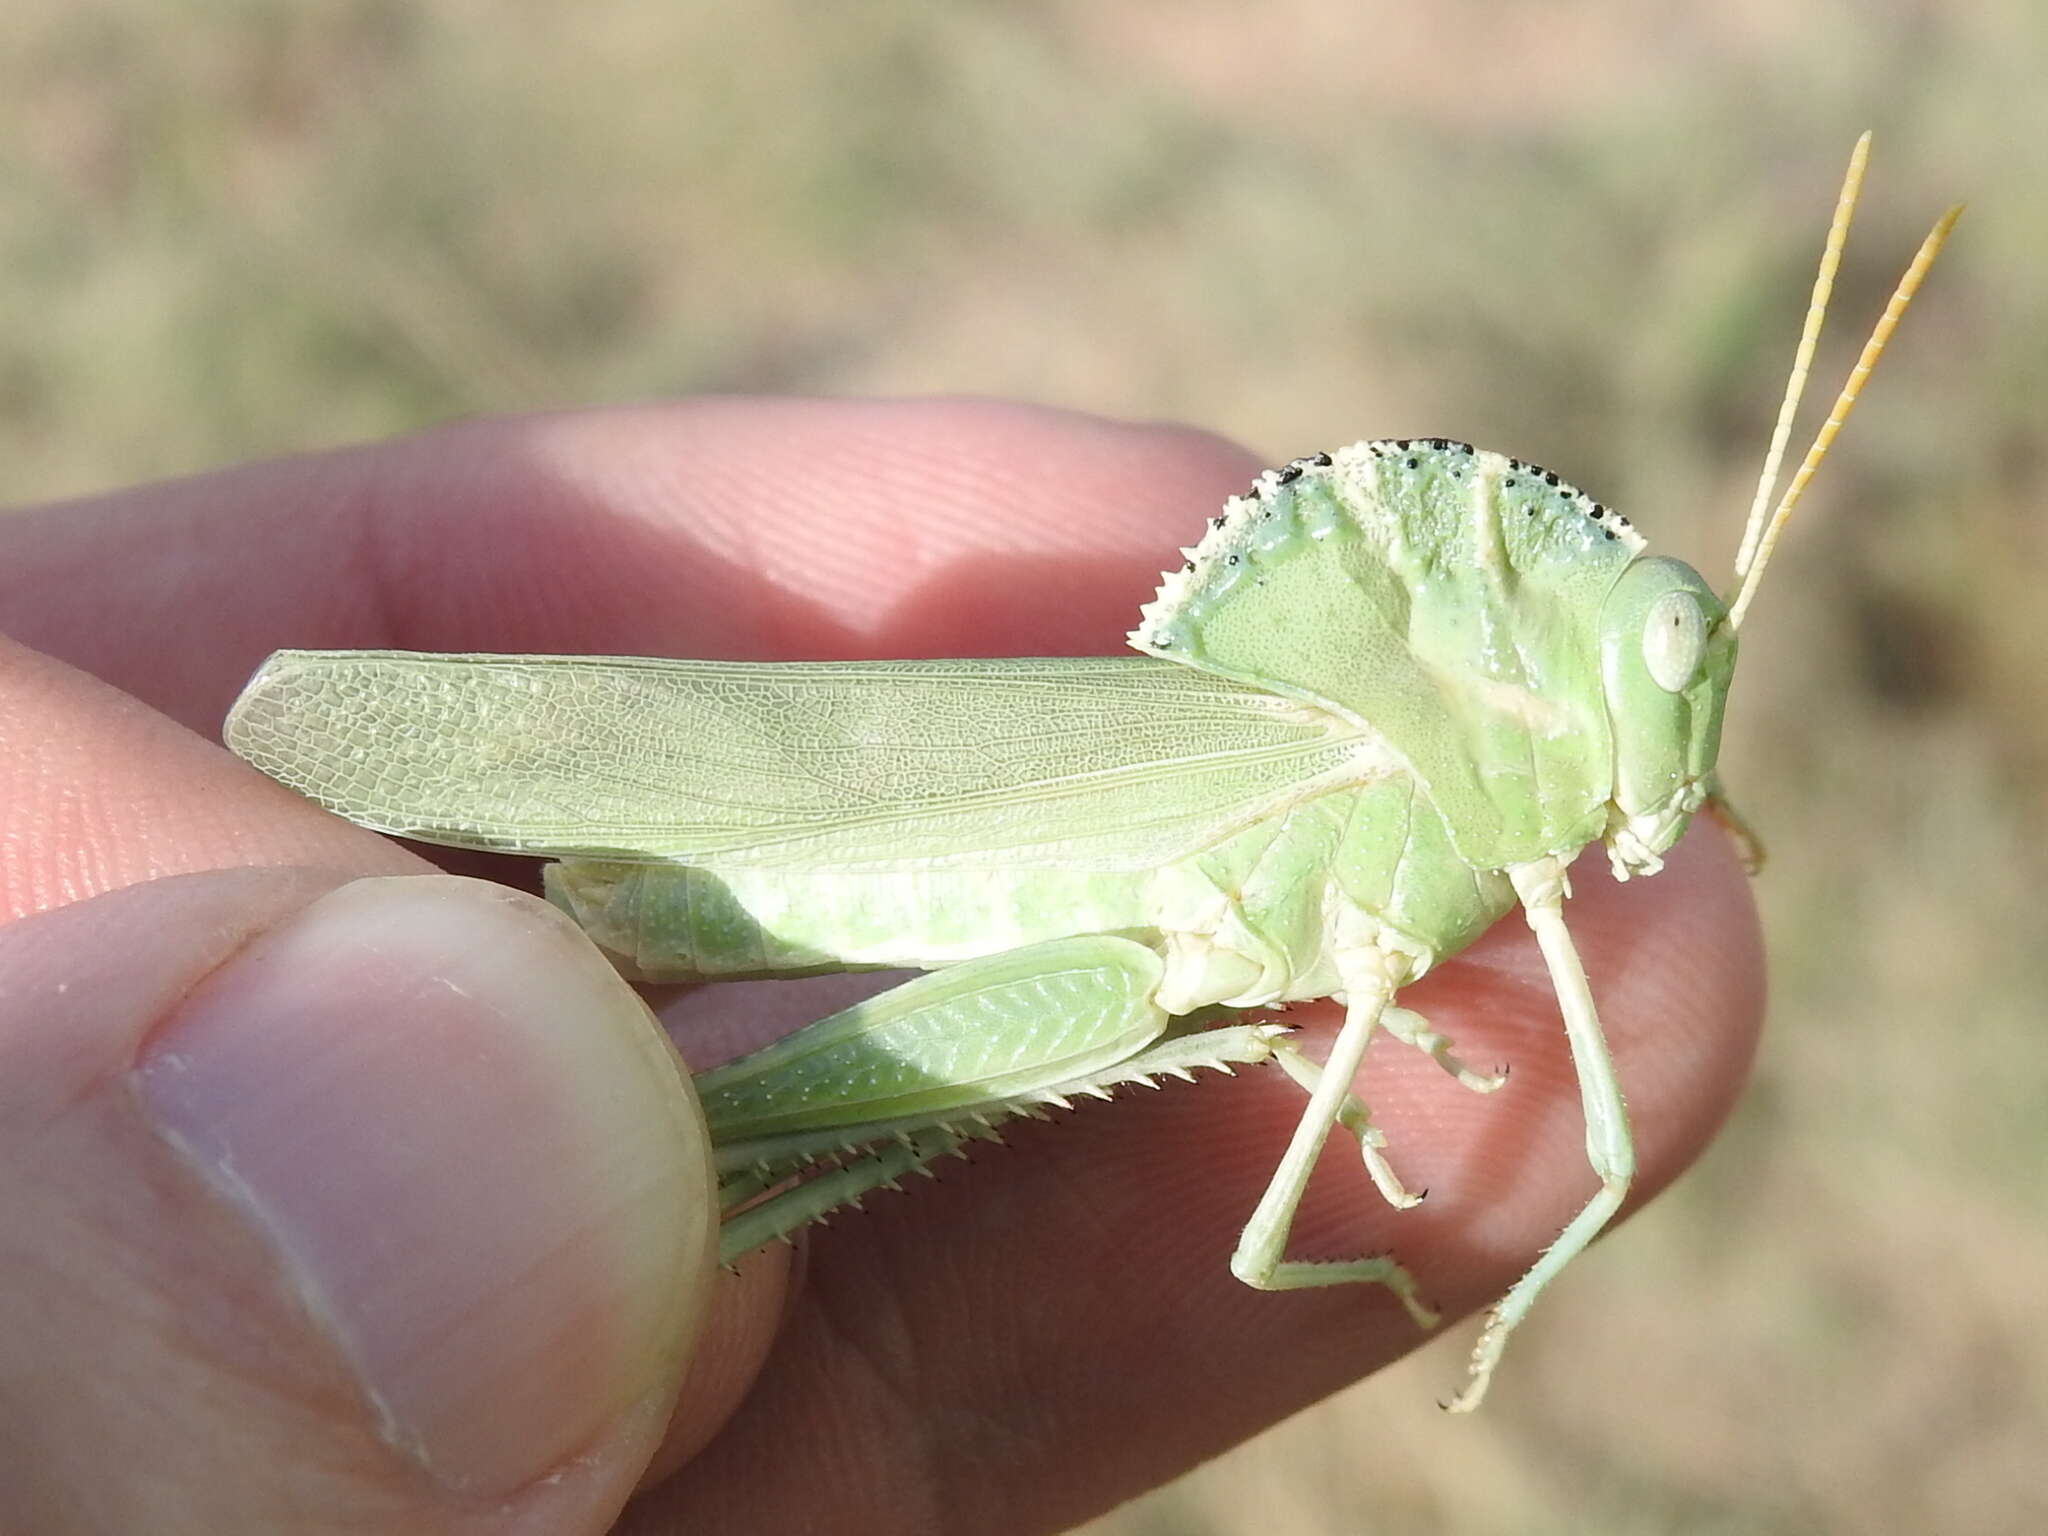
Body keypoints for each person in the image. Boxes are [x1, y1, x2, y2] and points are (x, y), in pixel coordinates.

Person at [0, 398, 1761, 1533]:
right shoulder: (1393, 765)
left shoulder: (1460, 784)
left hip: (1127, 935)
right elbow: (1550, 1161)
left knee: (851, 1124)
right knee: (700, 1157)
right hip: (908, 879)